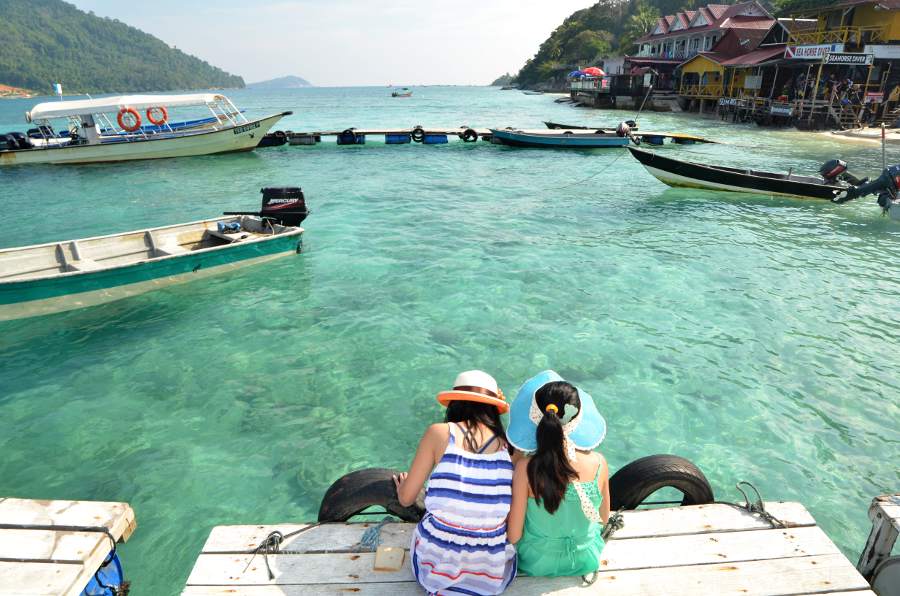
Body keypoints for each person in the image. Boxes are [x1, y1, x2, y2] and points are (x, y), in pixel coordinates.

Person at [394, 370, 516, 595]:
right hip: (489, 567)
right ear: (492, 409)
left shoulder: (438, 433)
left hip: (437, 562)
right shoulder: (507, 446)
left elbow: (406, 499)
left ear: (454, 404)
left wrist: (405, 485)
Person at [506, 371, 610, 578]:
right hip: (586, 557)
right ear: (577, 419)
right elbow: (603, 519)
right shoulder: (599, 462)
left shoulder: (526, 469)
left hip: (537, 561)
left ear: (536, 419)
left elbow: (514, 535)